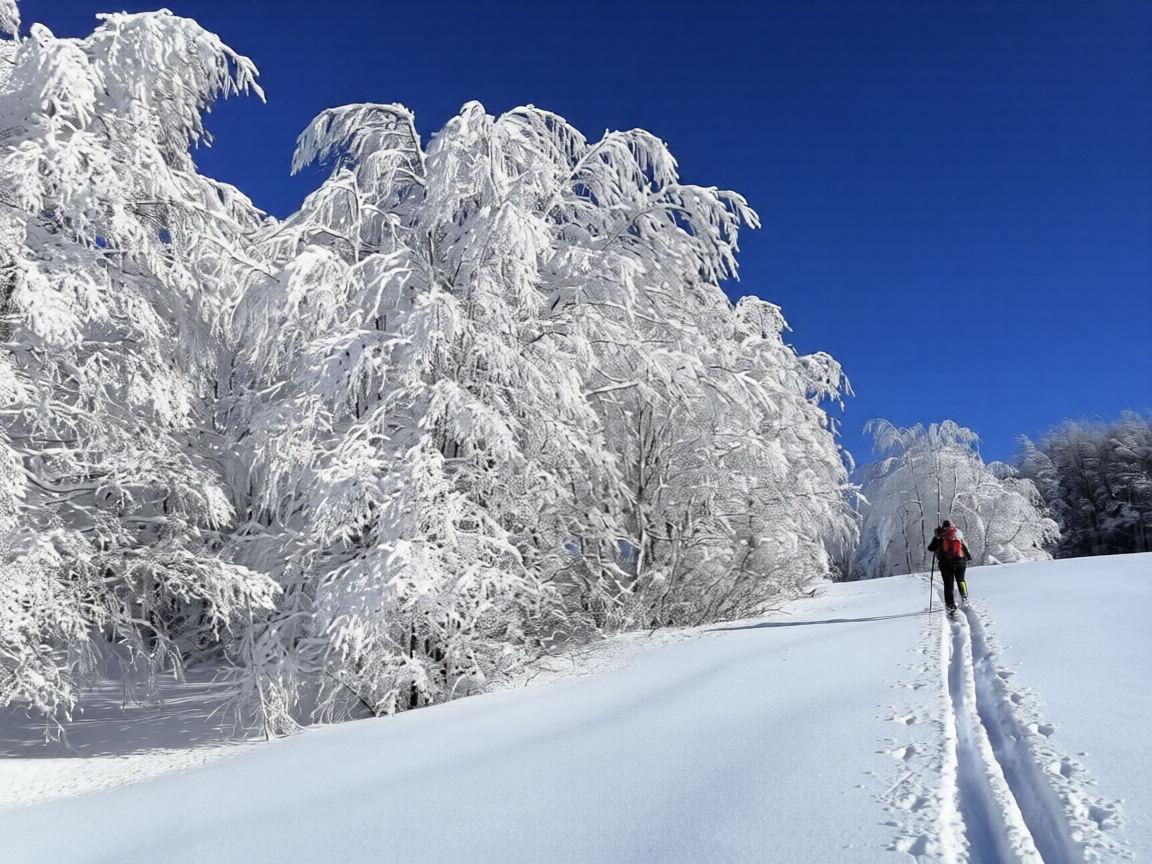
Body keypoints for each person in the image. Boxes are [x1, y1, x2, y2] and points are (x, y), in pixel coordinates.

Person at [928, 519, 972, 615]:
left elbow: (931, 548)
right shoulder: (958, 534)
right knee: (961, 580)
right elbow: (963, 547)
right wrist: (968, 557)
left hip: (946, 564)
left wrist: (936, 537)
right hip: (961, 562)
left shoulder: (940, 535)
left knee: (949, 584)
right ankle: (964, 596)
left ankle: (950, 605)